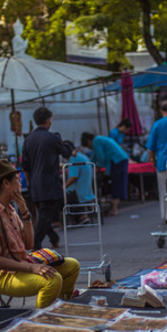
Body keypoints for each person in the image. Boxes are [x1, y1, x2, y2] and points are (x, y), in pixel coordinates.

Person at [0, 159, 80, 309]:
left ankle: (59, 309)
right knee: (52, 280)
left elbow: (29, 244)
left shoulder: (10, 209)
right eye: (17, 179)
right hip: (1, 276)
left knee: (72, 265)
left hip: (20, 265)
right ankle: (39, 321)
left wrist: (24, 211)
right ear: (6, 183)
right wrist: (32, 268)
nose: (20, 182)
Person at [22, 107, 74, 250]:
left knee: (44, 214)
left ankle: (54, 238)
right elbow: (66, 153)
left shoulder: (28, 139)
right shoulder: (53, 138)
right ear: (48, 120)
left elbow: (25, 166)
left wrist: (30, 183)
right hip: (49, 183)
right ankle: (35, 243)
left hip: (35, 184)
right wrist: (68, 145)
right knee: (46, 215)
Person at [81, 133, 129, 216]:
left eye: (88, 146)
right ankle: (114, 207)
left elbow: (101, 157)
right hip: (119, 160)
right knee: (116, 183)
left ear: (89, 141)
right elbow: (95, 157)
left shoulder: (96, 141)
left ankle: (114, 208)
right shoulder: (99, 139)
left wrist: (96, 167)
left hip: (118, 161)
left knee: (116, 184)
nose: (90, 148)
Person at [64, 145, 95, 225]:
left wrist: (63, 187)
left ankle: (81, 216)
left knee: (58, 196)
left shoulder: (74, 158)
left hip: (79, 192)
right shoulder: (81, 156)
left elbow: (73, 177)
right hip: (87, 190)